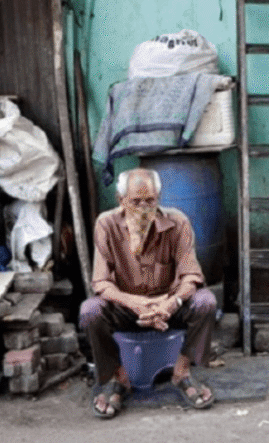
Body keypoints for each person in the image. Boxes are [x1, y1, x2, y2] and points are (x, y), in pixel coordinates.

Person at [79, 168, 217, 418]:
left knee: (205, 302)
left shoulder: (178, 222)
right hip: (126, 306)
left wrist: (171, 303)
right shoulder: (106, 224)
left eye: (150, 201)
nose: (143, 208)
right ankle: (118, 377)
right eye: (135, 202)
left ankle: (182, 372)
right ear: (121, 201)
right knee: (90, 311)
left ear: (159, 198)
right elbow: (101, 282)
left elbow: (191, 276)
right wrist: (135, 303)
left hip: (167, 305)